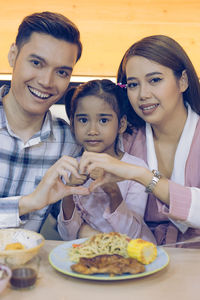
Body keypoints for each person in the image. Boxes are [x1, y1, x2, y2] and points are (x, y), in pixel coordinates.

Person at [78, 35, 200, 247]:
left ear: (183, 81)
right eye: (133, 84)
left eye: (155, 80)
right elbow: (92, 205)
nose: (143, 94)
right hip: (137, 260)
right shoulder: (124, 139)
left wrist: (140, 175)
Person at [0, 11, 89, 232]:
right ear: (13, 55)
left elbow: (70, 229)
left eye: (61, 72)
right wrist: (29, 202)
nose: (46, 81)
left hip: (26, 266)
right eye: (37, 63)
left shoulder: (70, 143)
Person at [57, 79, 156, 242]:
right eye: (83, 120)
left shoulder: (134, 168)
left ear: (121, 124)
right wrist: (68, 192)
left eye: (103, 120)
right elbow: (67, 235)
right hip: (89, 255)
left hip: (132, 256)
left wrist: (112, 189)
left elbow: (133, 234)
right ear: (72, 124)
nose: (92, 130)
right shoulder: (71, 168)